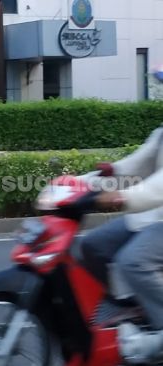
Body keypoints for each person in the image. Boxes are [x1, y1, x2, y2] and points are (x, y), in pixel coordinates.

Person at [78, 125, 163, 362]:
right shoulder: (161, 132)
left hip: (155, 211)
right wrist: (78, 184)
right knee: (94, 246)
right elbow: (137, 165)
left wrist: (124, 197)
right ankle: (138, 309)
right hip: (153, 214)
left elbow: (158, 187)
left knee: (134, 261)